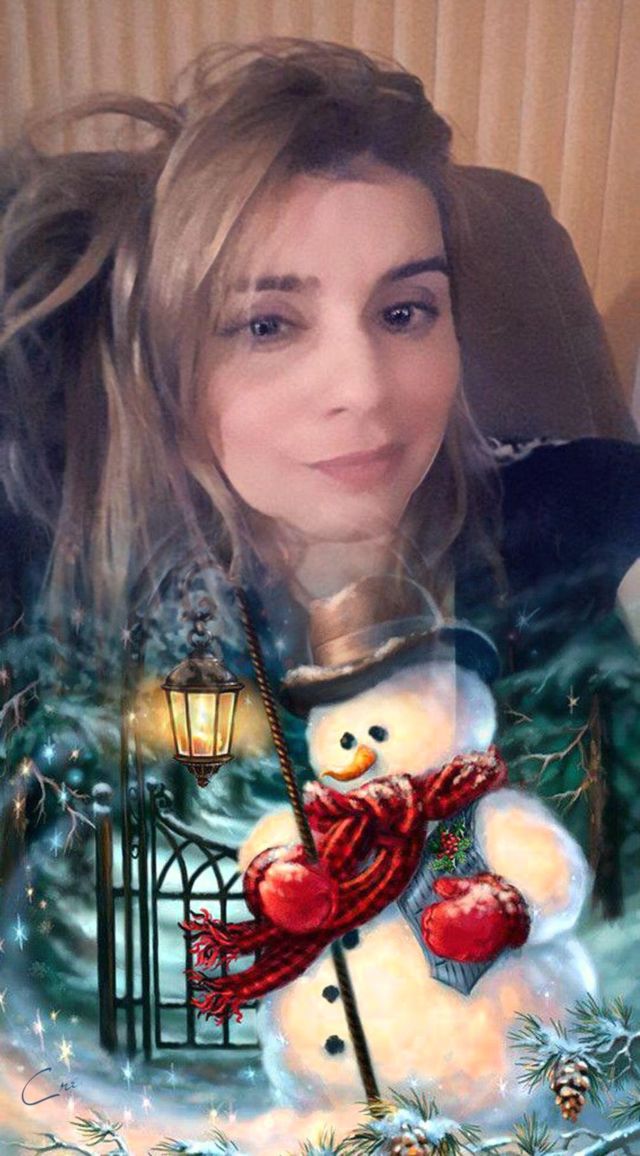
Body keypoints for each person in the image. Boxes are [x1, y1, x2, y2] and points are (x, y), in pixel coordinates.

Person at [1, 36, 639, 1150]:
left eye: (405, 312)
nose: (364, 390)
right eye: (267, 324)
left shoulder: (587, 511)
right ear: (167, 371)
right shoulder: (70, 589)